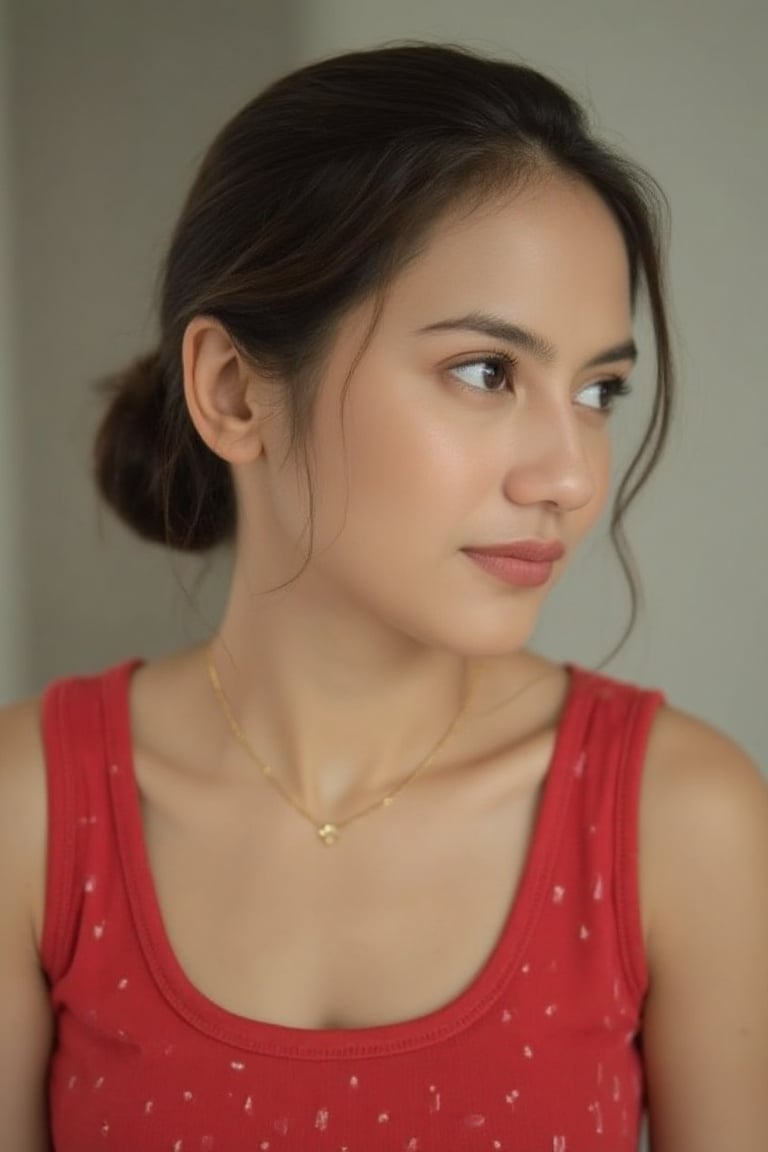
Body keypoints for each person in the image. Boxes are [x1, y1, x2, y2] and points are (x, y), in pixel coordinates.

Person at [0, 41, 765, 1152]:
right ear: (232, 393)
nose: (567, 477)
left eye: (599, 390)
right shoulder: (28, 818)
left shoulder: (680, 822)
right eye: (486, 372)